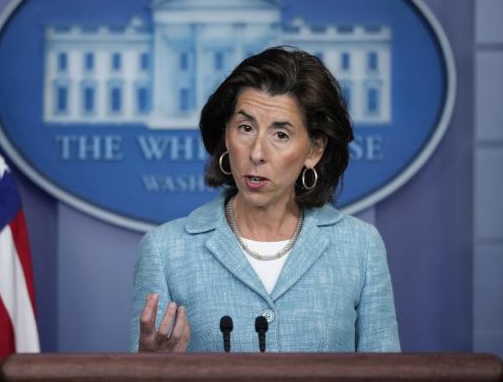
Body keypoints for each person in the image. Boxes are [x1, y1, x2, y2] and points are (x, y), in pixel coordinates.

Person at [129, 47, 399, 353]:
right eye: (245, 128)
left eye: (280, 135)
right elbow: (144, 361)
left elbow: (386, 370)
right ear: (226, 136)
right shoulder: (165, 251)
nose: (257, 153)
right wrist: (153, 370)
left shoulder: (360, 247)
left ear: (314, 150)